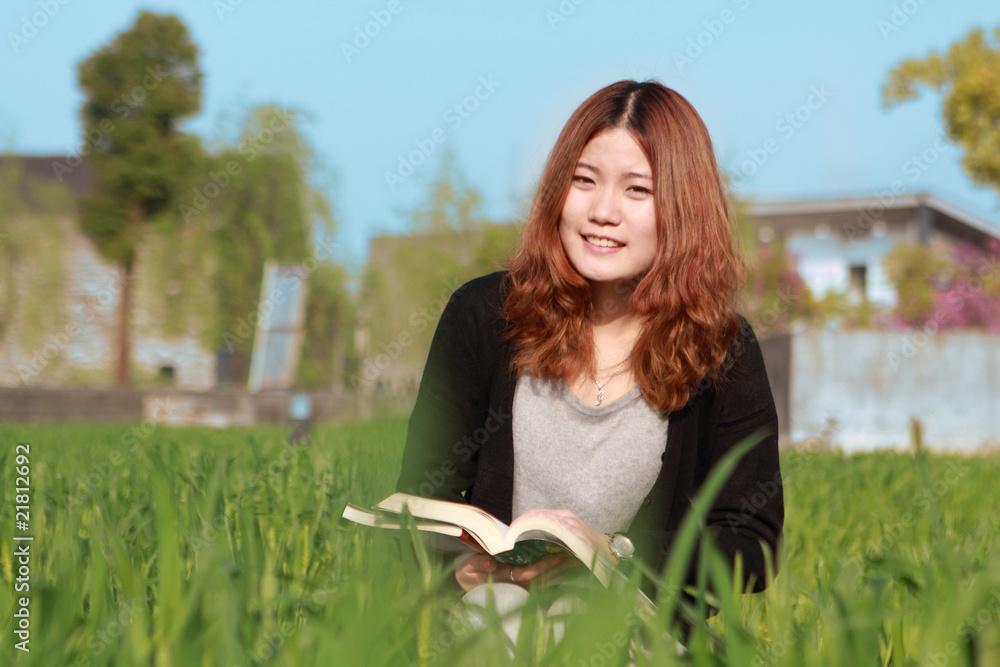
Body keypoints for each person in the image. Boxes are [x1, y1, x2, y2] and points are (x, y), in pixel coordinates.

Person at [394, 79, 783, 644]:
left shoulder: (721, 348)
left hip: (633, 629)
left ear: (682, 206)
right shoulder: (483, 316)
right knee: (498, 610)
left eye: (637, 191)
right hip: (491, 615)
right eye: (584, 181)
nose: (603, 212)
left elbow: (752, 545)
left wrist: (616, 555)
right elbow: (420, 497)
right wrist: (457, 567)